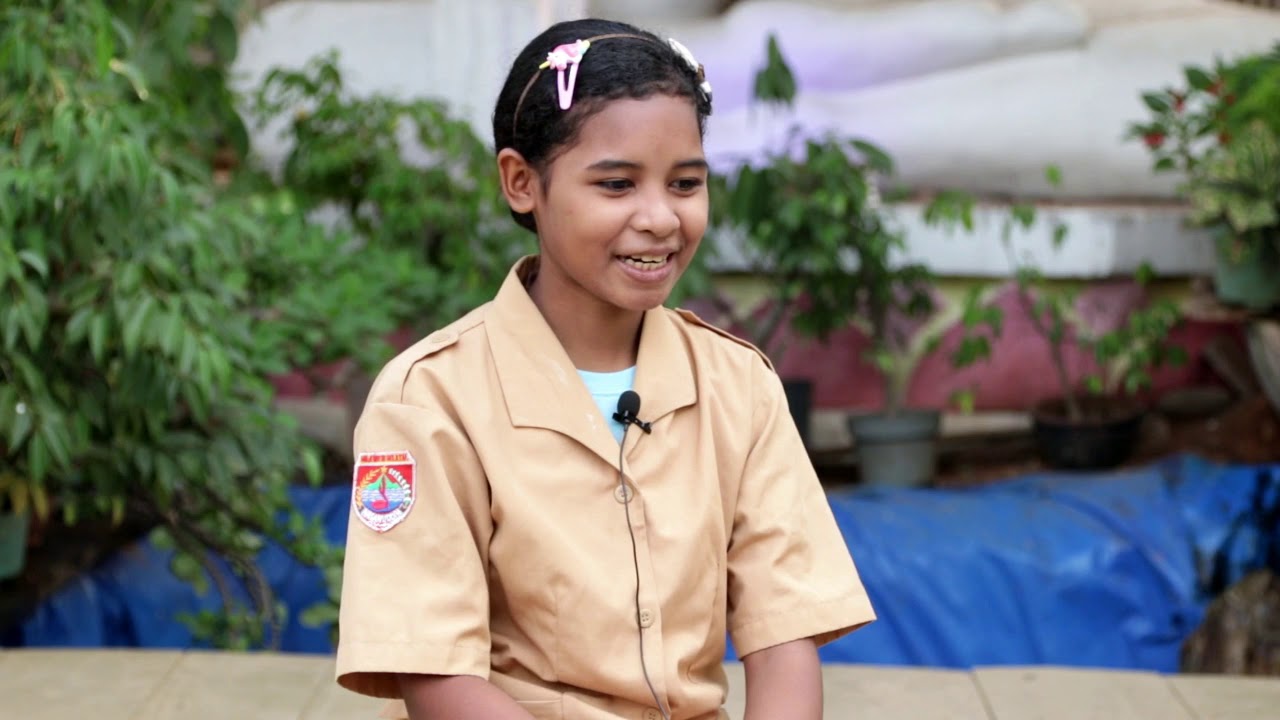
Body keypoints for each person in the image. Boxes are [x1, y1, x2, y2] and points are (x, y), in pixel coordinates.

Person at [335, 17, 875, 720]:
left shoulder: (739, 387)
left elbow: (785, 636)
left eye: (685, 183)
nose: (660, 218)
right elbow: (433, 673)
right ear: (522, 182)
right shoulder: (428, 399)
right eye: (617, 185)